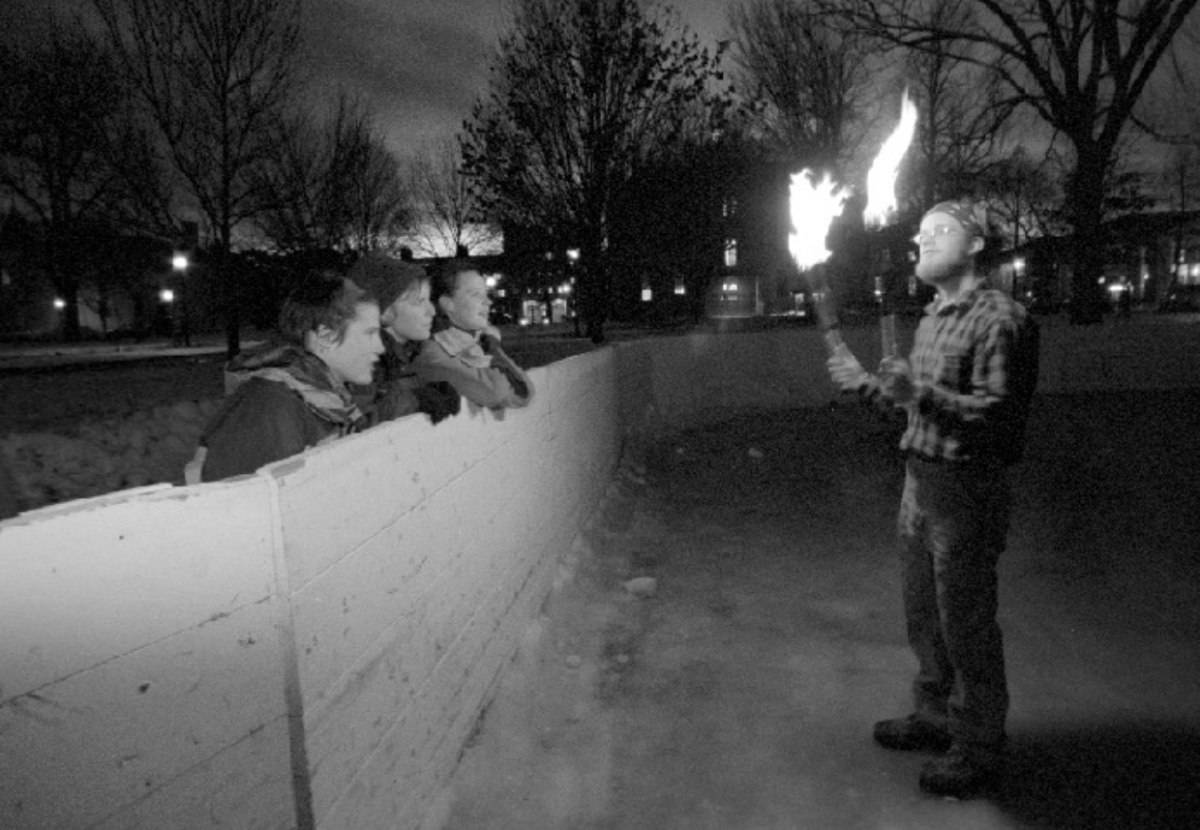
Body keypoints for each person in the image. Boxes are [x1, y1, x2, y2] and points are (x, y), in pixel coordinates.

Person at [827, 199, 1040, 798]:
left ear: (976, 245)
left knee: (966, 621)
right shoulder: (932, 317)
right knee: (923, 612)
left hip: (969, 487)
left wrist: (916, 388)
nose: (922, 241)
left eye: (939, 232)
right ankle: (935, 715)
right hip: (920, 480)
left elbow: (998, 417)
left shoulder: (1000, 318)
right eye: (920, 234)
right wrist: (867, 383)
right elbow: (913, 405)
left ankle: (978, 745)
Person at [194, 270, 385, 482]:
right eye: (369, 334)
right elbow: (249, 504)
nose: (380, 347)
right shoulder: (271, 407)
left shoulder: (327, 396)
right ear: (325, 337)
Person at [345, 253, 461, 424]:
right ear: (384, 311)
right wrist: (414, 400)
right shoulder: (363, 361)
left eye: (428, 300)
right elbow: (358, 424)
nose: (432, 311)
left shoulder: (415, 353)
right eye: (418, 302)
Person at [413, 258, 534, 411]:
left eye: (486, 294)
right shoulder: (432, 351)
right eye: (476, 295)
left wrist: (492, 346)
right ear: (448, 304)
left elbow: (523, 392)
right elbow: (494, 393)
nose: (488, 302)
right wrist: (493, 350)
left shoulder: (477, 341)